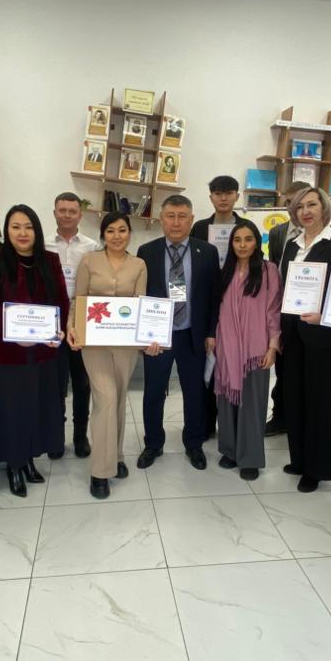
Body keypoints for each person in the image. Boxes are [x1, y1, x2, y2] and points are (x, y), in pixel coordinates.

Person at [0, 205, 70, 496]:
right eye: (15, 226)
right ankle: (14, 465)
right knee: (11, 410)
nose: (22, 233)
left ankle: (29, 458)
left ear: (37, 230)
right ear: (6, 230)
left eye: (28, 227)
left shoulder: (50, 260)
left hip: (42, 352)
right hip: (6, 353)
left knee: (36, 407)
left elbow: (61, 300)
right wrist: (13, 333)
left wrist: (58, 329)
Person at [278, 186, 331, 492]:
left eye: (312, 205)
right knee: (294, 397)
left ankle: (317, 468)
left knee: (319, 402)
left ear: (325, 209)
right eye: (300, 207)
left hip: (324, 336)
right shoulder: (292, 245)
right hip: (293, 334)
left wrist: (324, 316)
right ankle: (299, 459)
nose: (306, 211)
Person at [136, 195, 221, 470]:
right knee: (153, 392)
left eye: (182, 216)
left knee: (194, 393)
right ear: (161, 219)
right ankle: (153, 443)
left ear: (191, 220)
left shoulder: (207, 252)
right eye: (170, 216)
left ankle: (194, 444)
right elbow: (140, 295)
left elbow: (214, 297)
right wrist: (143, 335)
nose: (176, 222)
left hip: (192, 335)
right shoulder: (146, 251)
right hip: (158, 337)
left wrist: (211, 332)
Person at [67, 211, 148, 498]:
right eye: (110, 230)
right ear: (103, 235)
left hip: (125, 344)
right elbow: (78, 299)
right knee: (106, 398)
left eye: (122, 230)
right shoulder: (89, 261)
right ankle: (100, 471)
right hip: (94, 342)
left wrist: (149, 337)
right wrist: (72, 327)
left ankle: (117, 456)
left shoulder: (139, 265)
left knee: (119, 397)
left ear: (129, 234)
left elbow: (140, 305)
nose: (116, 236)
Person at [213, 219, 281, 480]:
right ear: (231, 244)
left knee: (252, 404)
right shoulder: (225, 271)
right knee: (227, 399)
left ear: (257, 243)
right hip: (227, 346)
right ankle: (230, 450)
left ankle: (250, 458)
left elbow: (273, 310)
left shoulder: (268, 270)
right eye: (237, 240)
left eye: (248, 239)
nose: (242, 245)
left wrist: (272, 345)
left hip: (256, 349)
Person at [191, 174, 243, 441]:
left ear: (237, 196)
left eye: (228, 193)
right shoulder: (200, 227)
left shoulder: (245, 227)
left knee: (232, 365)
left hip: (236, 304)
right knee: (206, 364)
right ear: (210, 197)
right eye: (218, 193)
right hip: (204, 303)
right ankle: (205, 423)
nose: (223, 198)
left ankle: (233, 425)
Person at [50, 192, 96, 459]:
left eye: (72, 211)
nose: (67, 215)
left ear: (80, 215)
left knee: (82, 383)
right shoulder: (43, 244)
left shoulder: (92, 247)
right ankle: (55, 436)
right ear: (54, 213)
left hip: (81, 320)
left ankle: (80, 436)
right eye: (62, 210)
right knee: (55, 384)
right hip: (52, 321)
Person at [264, 180, 313, 436]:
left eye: (301, 202)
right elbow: (274, 269)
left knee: (310, 372)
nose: (294, 208)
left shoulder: (327, 234)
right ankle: (281, 416)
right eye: (289, 203)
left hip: (312, 314)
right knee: (283, 369)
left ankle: (311, 424)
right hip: (284, 310)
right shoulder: (278, 233)